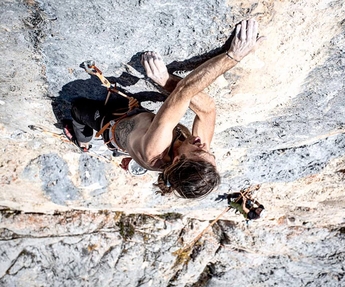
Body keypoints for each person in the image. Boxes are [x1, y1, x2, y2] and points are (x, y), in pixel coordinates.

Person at [66, 19, 263, 199]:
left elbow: (184, 91)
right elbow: (207, 110)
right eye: (210, 154)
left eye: (197, 149)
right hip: (138, 119)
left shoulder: (155, 151)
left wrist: (233, 56)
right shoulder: (199, 157)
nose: (203, 145)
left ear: (177, 161)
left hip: (111, 124)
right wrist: (166, 82)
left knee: (77, 109)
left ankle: (82, 142)